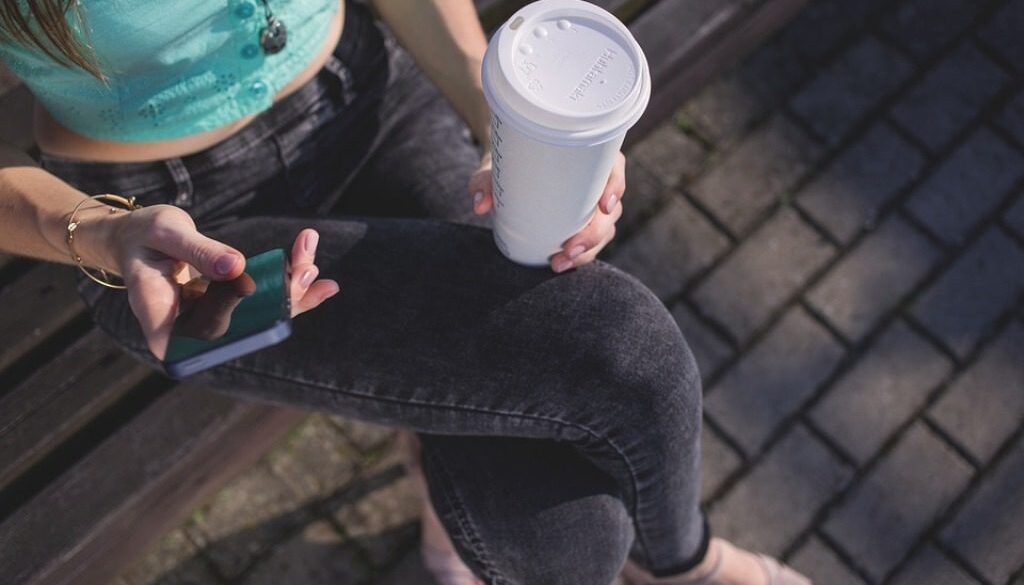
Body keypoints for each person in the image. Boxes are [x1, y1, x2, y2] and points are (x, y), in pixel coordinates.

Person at [0, 1, 813, 584]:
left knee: (569, 535)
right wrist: (95, 233)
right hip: (172, 235)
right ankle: (685, 563)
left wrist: (507, 125)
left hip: (368, 98)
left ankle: (453, 457)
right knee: (618, 350)